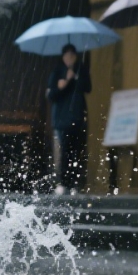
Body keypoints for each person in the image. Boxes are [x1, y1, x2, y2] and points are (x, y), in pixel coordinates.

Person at [47, 44, 91, 192]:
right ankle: (63, 182)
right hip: (62, 119)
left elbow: (88, 87)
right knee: (64, 150)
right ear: (63, 57)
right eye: (67, 55)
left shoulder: (81, 69)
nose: (70, 58)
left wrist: (75, 78)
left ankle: (75, 182)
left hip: (77, 117)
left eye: (72, 54)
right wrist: (64, 84)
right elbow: (51, 95)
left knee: (76, 151)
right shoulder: (57, 71)